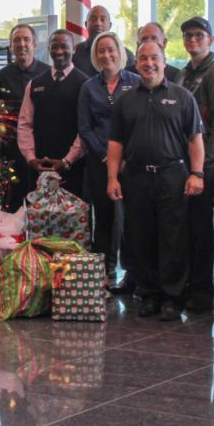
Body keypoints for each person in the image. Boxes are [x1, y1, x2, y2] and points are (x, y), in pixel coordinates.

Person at [107, 40, 205, 321]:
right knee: (141, 237)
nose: (148, 64)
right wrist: (112, 178)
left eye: (154, 58)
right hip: (136, 177)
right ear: (136, 63)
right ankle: (149, 295)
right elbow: (115, 143)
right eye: (143, 58)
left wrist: (197, 174)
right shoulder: (126, 100)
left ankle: (172, 298)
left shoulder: (183, 97)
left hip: (172, 177)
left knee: (172, 239)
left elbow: (195, 139)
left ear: (163, 62)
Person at [176, 16, 214, 313]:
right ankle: (188, 284)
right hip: (182, 165)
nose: (193, 40)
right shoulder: (185, 73)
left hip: (203, 167)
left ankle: (202, 291)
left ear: (210, 40)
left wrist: (203, 169)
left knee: (200, 230)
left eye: (199, 35)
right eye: (188, 35)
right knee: (186, 228)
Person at [77, 31, 140, 285]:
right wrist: (105, 156)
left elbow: (142, 122)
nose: (106, 55)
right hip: (99, 161)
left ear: (119, 52)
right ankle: (105, 271)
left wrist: (126, 157)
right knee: (104, 218)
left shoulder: (136, 82)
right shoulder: (88, 87)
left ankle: (132, 273)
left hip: (131, 163)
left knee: (131, 219)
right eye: (101, 51)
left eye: (110, 49)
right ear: (95, 55)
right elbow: (84, 128)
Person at [17, 29, 87, 198]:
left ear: (73, 49)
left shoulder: (85, 84)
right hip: (39, 167)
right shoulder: (35, 84)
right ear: (49, 49)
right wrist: (31, 158)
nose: (59, 51)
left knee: (73, 214)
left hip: (73, 169)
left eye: (64, 46)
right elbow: (25, 123)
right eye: (54, 46)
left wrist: (67, 160)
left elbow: (86, 128)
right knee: (38, 213)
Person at [0, 24, 51, 210]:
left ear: (35, 45)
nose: (22, 44)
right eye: (17, 40)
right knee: (10, 204)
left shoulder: (48, 74)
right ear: (11, 46)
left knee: (41, 204)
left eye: (26, 39)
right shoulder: (0, 77)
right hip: (11, 149)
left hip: (41, 148)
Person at [72, 6, 135, 77]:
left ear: (110, 25)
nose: (98, 23)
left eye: (102, 20)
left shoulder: (126, 55)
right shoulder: (76, 52)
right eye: (93, 20)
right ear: (86, 24)